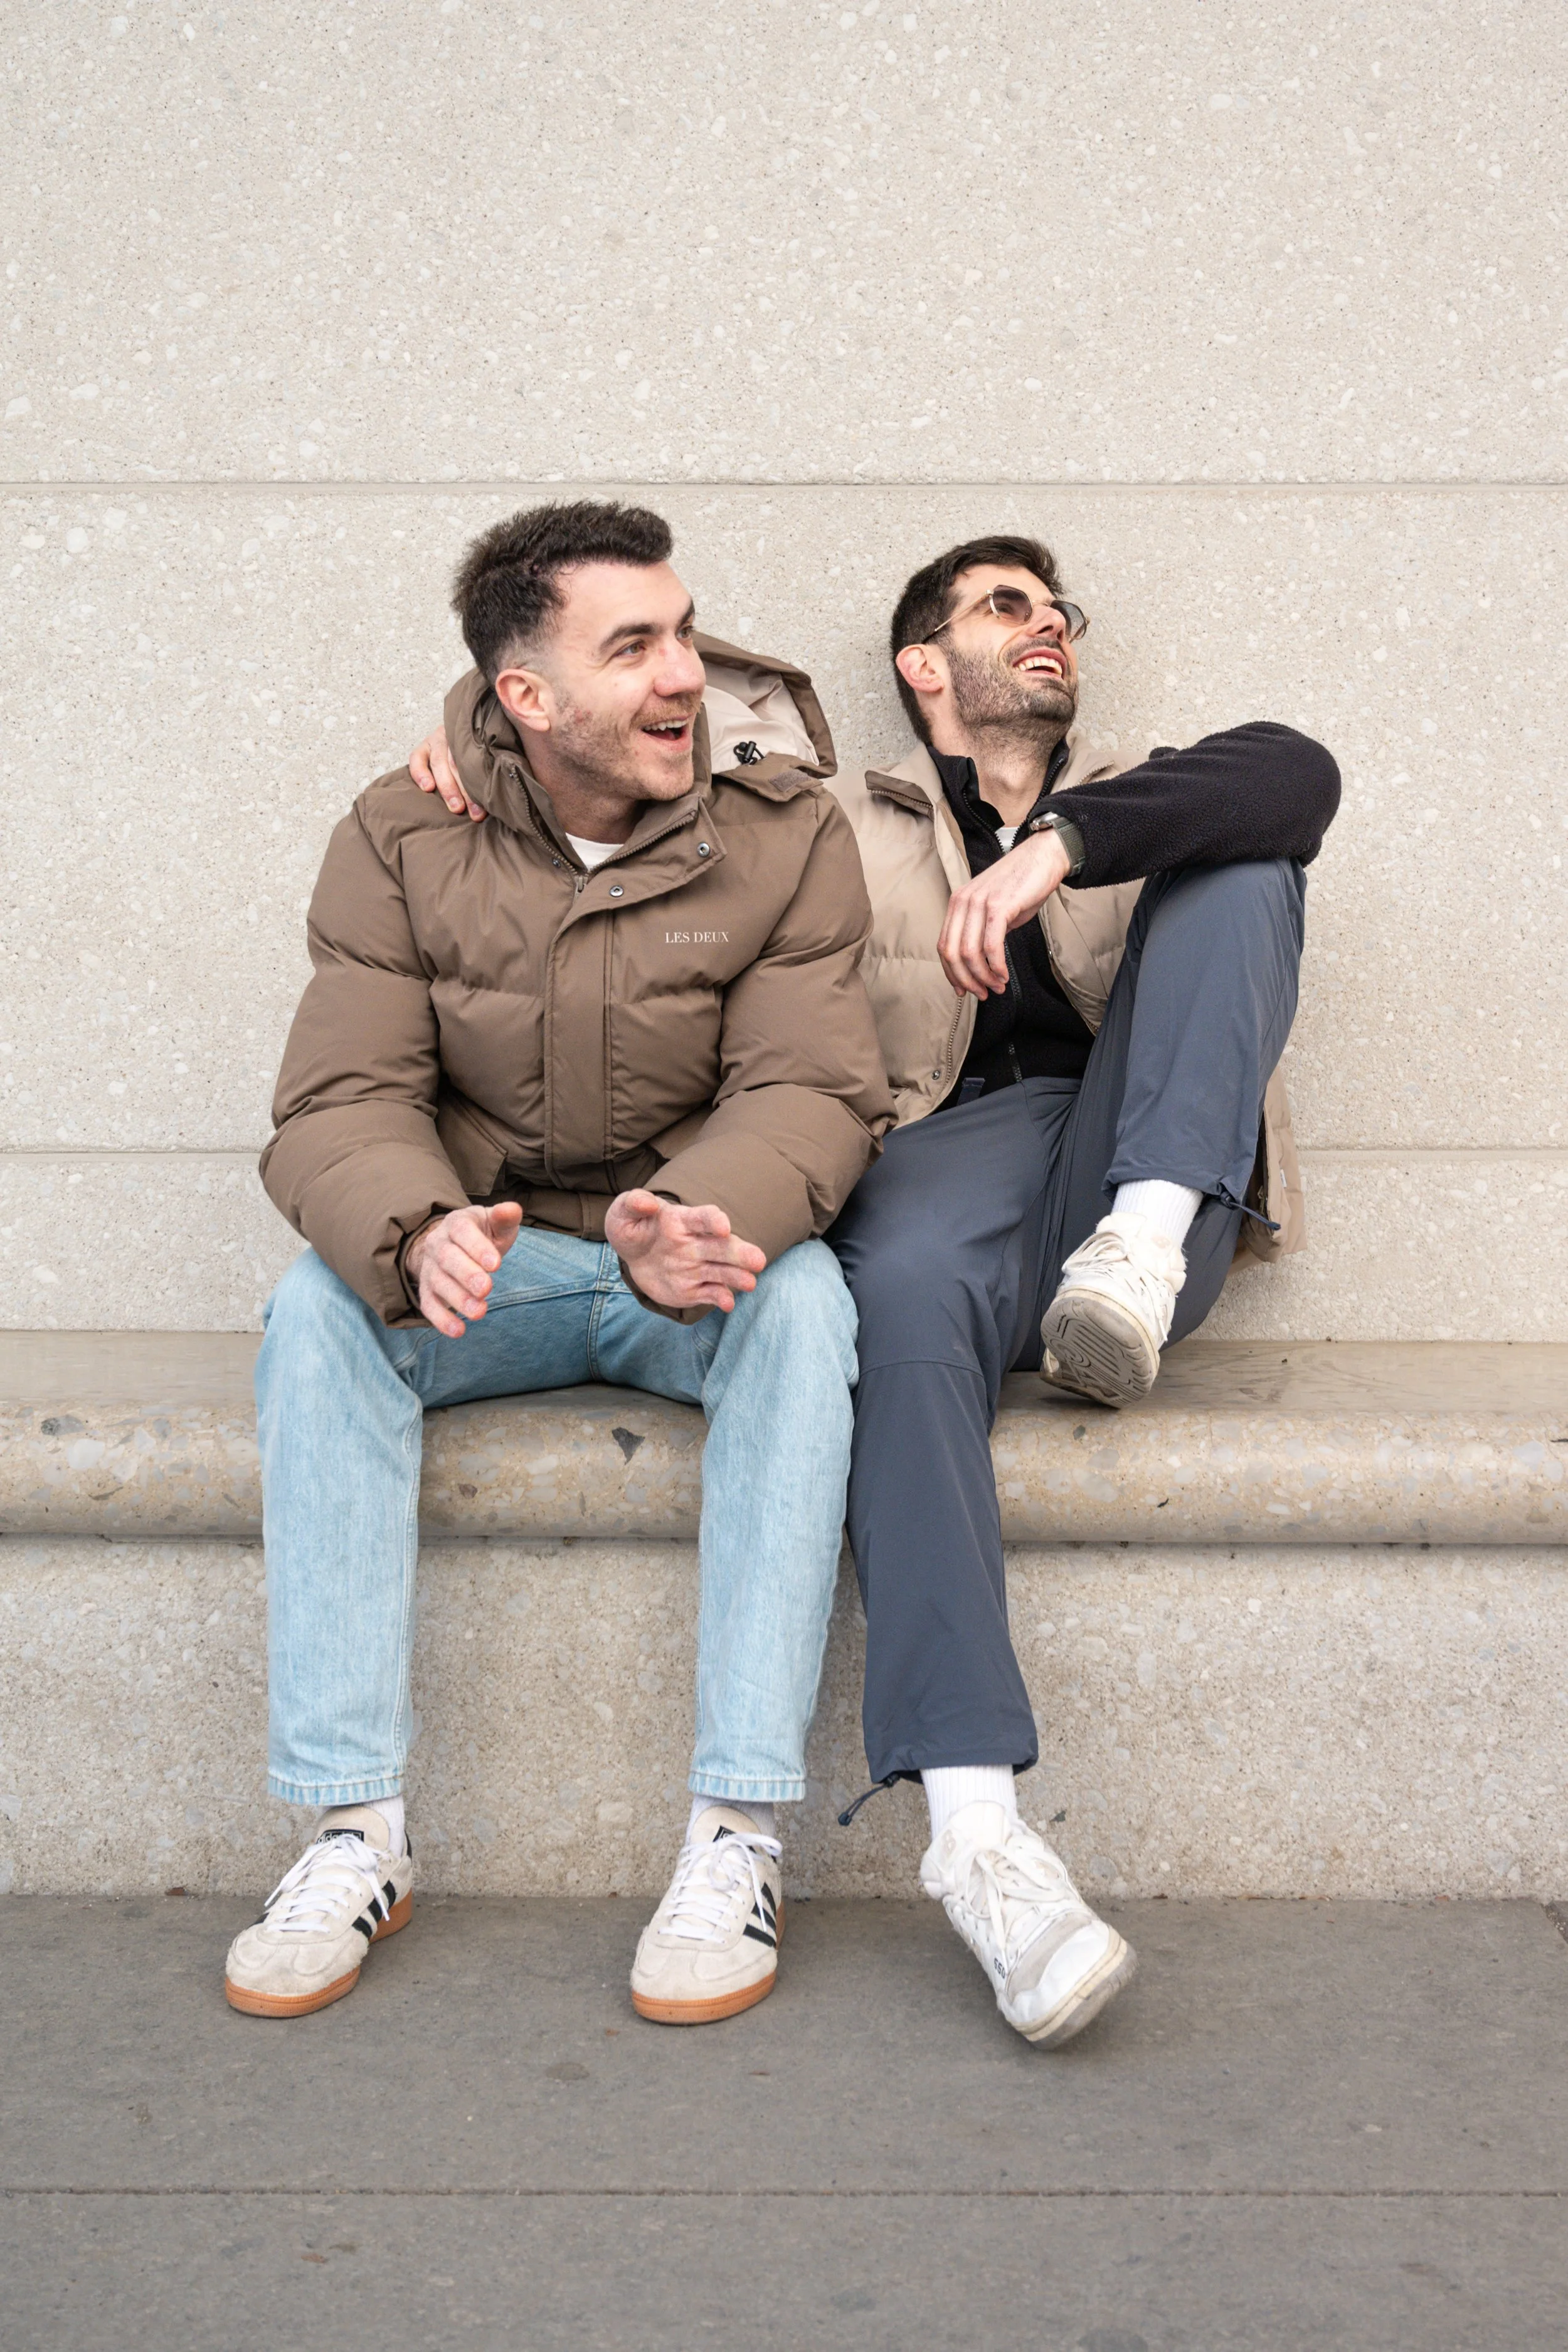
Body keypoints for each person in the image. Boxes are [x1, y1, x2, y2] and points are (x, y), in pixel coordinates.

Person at [411, 530, 1340, 2050]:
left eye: (1057, 612)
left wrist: (1062, 846)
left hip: (1136, 1176)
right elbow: (600, 738)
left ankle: (1145, 1235)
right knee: (889, 1300)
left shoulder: (1146, 786)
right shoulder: (825, 812)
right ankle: (979, 1837)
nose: (1045, 629)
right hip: (936, 1169)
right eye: (1002, 608)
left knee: (1247, 864)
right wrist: (463, 733)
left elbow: (1295, 771)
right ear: (924, 664)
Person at [227, 499, 892, 2027]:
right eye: (635, 647)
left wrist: (708, 1214)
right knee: (320, 1307)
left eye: (685, 635)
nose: (686, 677)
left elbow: (810, 1087)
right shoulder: (399, 834)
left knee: (803, 1302)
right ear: (525, 698)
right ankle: (352, 1830)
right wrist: (415, 1231)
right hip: (503, 1265)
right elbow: (344, 1096)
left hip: (691, 1267)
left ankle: (734, 1832)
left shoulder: (783, 836)